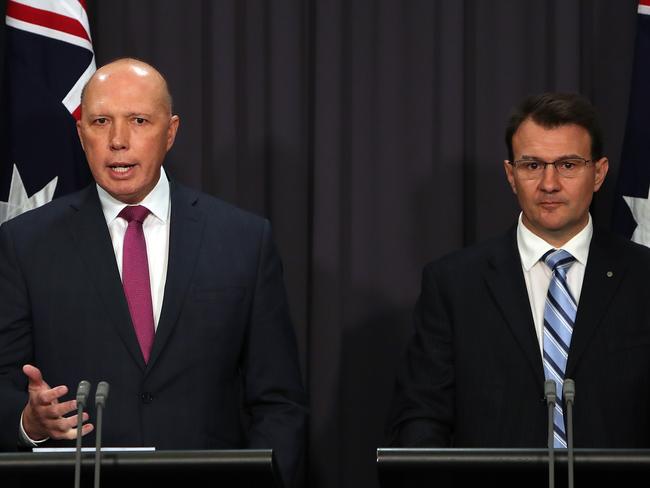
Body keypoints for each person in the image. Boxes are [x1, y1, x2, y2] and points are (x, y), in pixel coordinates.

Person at [0, 58, 307, 487]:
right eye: (101, 121)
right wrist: (28, 422)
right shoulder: (25, 243)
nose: (118, 141)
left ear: (171, 131)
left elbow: (279, 403)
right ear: (80, 133)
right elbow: (5, 384)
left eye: (139, 120)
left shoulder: (242, 240)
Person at [386, 92, 650, 484]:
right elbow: (421, 421)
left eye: (568, 164)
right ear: (511, 175)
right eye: (532, 165)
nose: (549, 183)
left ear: (599, 172)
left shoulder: (644, 278)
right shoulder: (455, 285)